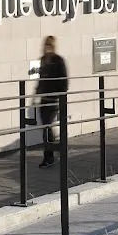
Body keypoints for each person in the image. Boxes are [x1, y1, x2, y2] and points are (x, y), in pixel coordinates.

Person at [33, 36, 68, 167]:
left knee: (47, 126)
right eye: (46, 45)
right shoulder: (43, 60)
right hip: (44, 99)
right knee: (45, 127)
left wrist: (60, 95)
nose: (47, 48)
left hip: (53, 99)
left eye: (49, 46)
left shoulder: (58, 60)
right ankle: (53, 149)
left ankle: (49, 156)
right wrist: (36, 94)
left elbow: (64, 81)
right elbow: (40, 79)